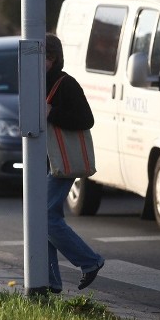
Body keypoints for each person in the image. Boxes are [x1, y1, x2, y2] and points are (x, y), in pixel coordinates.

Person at [45, 34, 105, 293]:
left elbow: (86, 119)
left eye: (45, 57)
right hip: (46, 160)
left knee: (44, 217)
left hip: (61, 160)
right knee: (45, 219)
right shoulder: (36, 81)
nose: (40, 62)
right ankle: (49, 283)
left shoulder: (65, 83)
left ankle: (90, 261)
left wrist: (53, 113)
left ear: (53, 58)